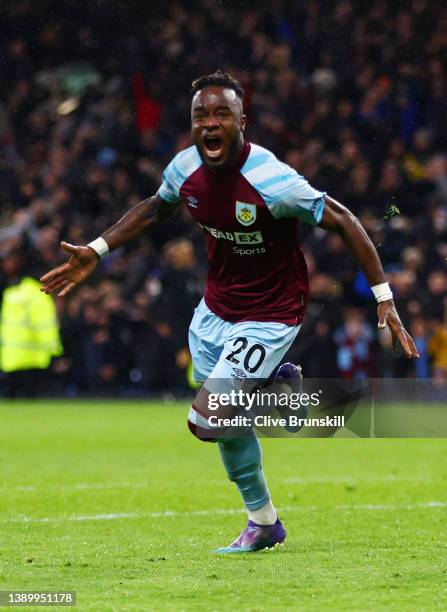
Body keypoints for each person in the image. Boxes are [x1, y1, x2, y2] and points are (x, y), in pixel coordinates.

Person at [41, 70, 419, 553]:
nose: (210, 123)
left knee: (206, 419)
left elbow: (344, 220)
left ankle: (282, 395)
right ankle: (263, 521)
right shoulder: (184, 169)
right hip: (215, 310)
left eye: (222, 113)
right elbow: (158, 208)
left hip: (272, 312)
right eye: (201, 115)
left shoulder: (273, 180)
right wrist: (97, 248)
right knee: (224, 422)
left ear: (243, 121)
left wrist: (384, 298)